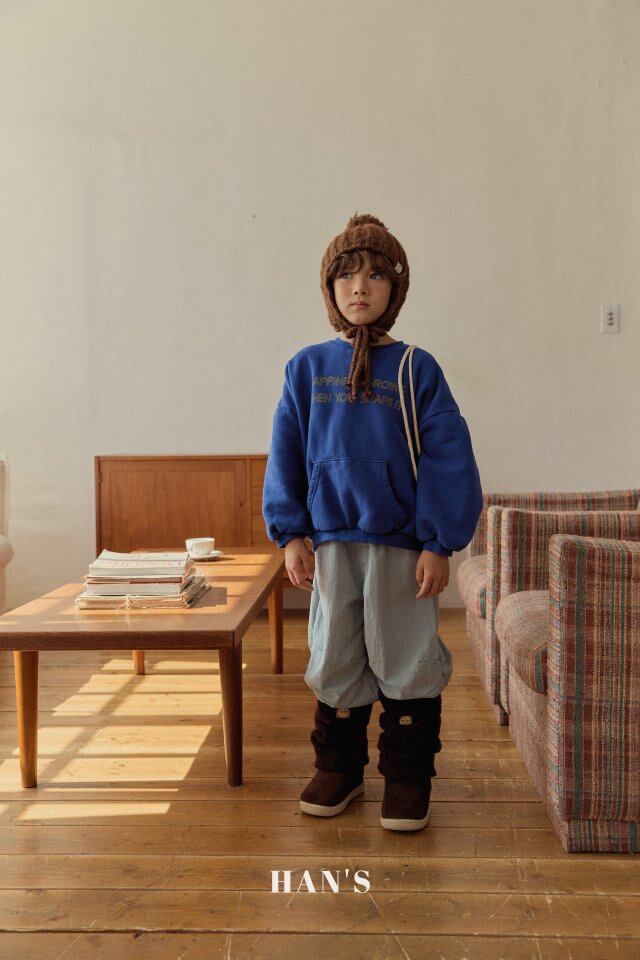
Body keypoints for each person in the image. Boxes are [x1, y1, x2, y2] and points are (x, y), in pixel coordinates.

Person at [262, 213, 483, 831]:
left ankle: (408, 779)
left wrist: (439, 542)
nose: (360, 286)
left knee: (406, 656)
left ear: (396, 288)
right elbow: (285, 450)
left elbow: (448, 457)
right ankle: (339, 770)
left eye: (376, 275)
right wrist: (290, 533)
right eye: (347, 275)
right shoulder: (306, 368)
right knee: (334, 655)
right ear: (329, 288)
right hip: (331, 544)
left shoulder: (416, 368)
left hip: (402, 548)